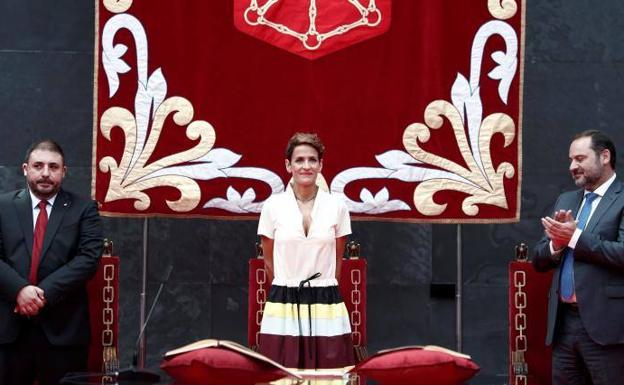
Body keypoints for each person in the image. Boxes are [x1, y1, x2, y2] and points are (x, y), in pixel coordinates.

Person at [0, 140, 103, 385]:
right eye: (38, 165)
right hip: (8, 331)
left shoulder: (84, 209)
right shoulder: (2, 206)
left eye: (53, 167)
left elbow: (88, 258)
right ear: (25, 169)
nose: (46, 173)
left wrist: (38, 296)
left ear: (64, 171)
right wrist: (19, 291)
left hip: (64, 334)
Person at [533, 130, 624, 385]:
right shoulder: (567, 200)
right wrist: (556, 244)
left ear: (604, 156)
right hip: (564, 326)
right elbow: (539, 259)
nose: (573, 166)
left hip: (608, 327)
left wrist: (575, 238)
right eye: (571, 160)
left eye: (580, 159)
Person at [257, 132, 354, 369]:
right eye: (299, 160)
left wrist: (322, 289)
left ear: (321, 165)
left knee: (332, 376)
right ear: (288, 165)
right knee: (281, 375)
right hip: (283, 302)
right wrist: (286, 287)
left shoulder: (337, 207)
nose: (306, 166)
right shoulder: (272, 206)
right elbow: (268, 261)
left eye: (312, 160)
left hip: (326, 303)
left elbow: (338, 259)